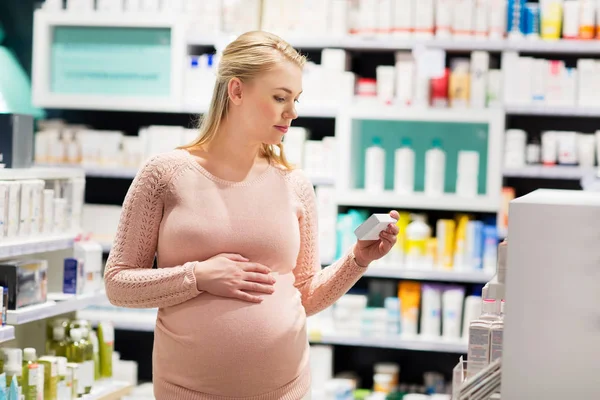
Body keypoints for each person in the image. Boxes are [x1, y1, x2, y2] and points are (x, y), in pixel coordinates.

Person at [104, 30, 400, 400]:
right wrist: (198, 276)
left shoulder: (295, 184)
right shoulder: (164, 174)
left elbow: (305, 295)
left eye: (295, 99)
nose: (292, 112)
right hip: (188, 392)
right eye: (279, 97)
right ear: (237, 91)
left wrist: (358, 259)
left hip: (285, 391)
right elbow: (118, 285)